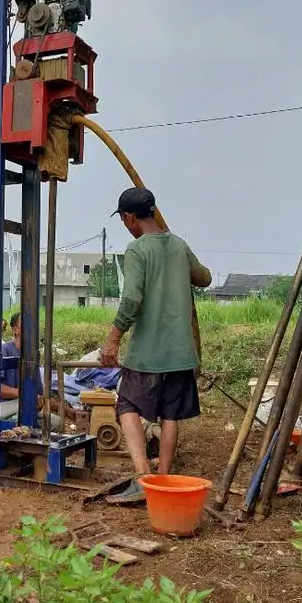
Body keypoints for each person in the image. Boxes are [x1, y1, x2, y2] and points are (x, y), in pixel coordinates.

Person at [100, 187, 212, 505]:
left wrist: (113, 338)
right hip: (181, 353)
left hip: (147, 354)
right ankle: (163, 477)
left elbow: (132, 299)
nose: (125, 224)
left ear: (130, 217)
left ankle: (142, 478)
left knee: (127, 406)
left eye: (123, 219)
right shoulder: (178, 245)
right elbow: (203, 278)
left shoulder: (137, 250)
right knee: (170, 415)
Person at [0, 312, 63, 430]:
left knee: (55, 422)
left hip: (24, 405)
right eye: (27, 325)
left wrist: (41, 402)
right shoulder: (4, 350)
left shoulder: (32, 357)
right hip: (2, 407)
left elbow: (38, 393)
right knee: (26, 410)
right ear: (15, 330)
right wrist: (24, 394)